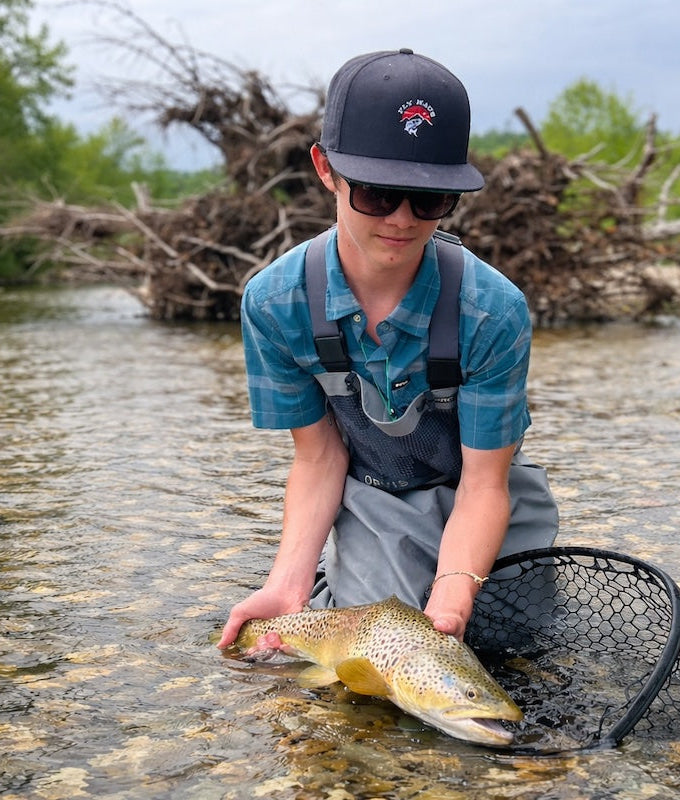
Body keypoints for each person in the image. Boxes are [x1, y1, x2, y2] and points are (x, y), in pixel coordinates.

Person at [218, 48, 558, 649]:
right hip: (376, 493)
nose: (402, 219)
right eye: (377, 193)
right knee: (374, 662)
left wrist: (452, 598)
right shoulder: (275, 304)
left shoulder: (493, 310)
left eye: (430, 200)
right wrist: (285, 583)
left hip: (487, 487)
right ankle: (324, 590)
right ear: (325, 169)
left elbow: (485, 485)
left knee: (510, 645)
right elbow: (320, 459)